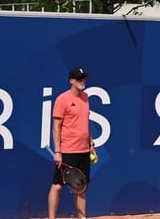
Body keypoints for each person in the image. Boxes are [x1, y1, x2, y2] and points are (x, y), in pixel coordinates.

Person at [49, 66, 97, 219]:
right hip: (68, 150)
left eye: (84, 78)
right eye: (79, 79)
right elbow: (56, 126)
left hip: (83, 150)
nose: (83, 81)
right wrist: (58, 151)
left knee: (82, 186)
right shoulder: (62, 99)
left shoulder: (85, 97)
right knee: (57, 186)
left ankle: (81, 217)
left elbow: (86, 122)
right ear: (71, 81)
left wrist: (91, 145)